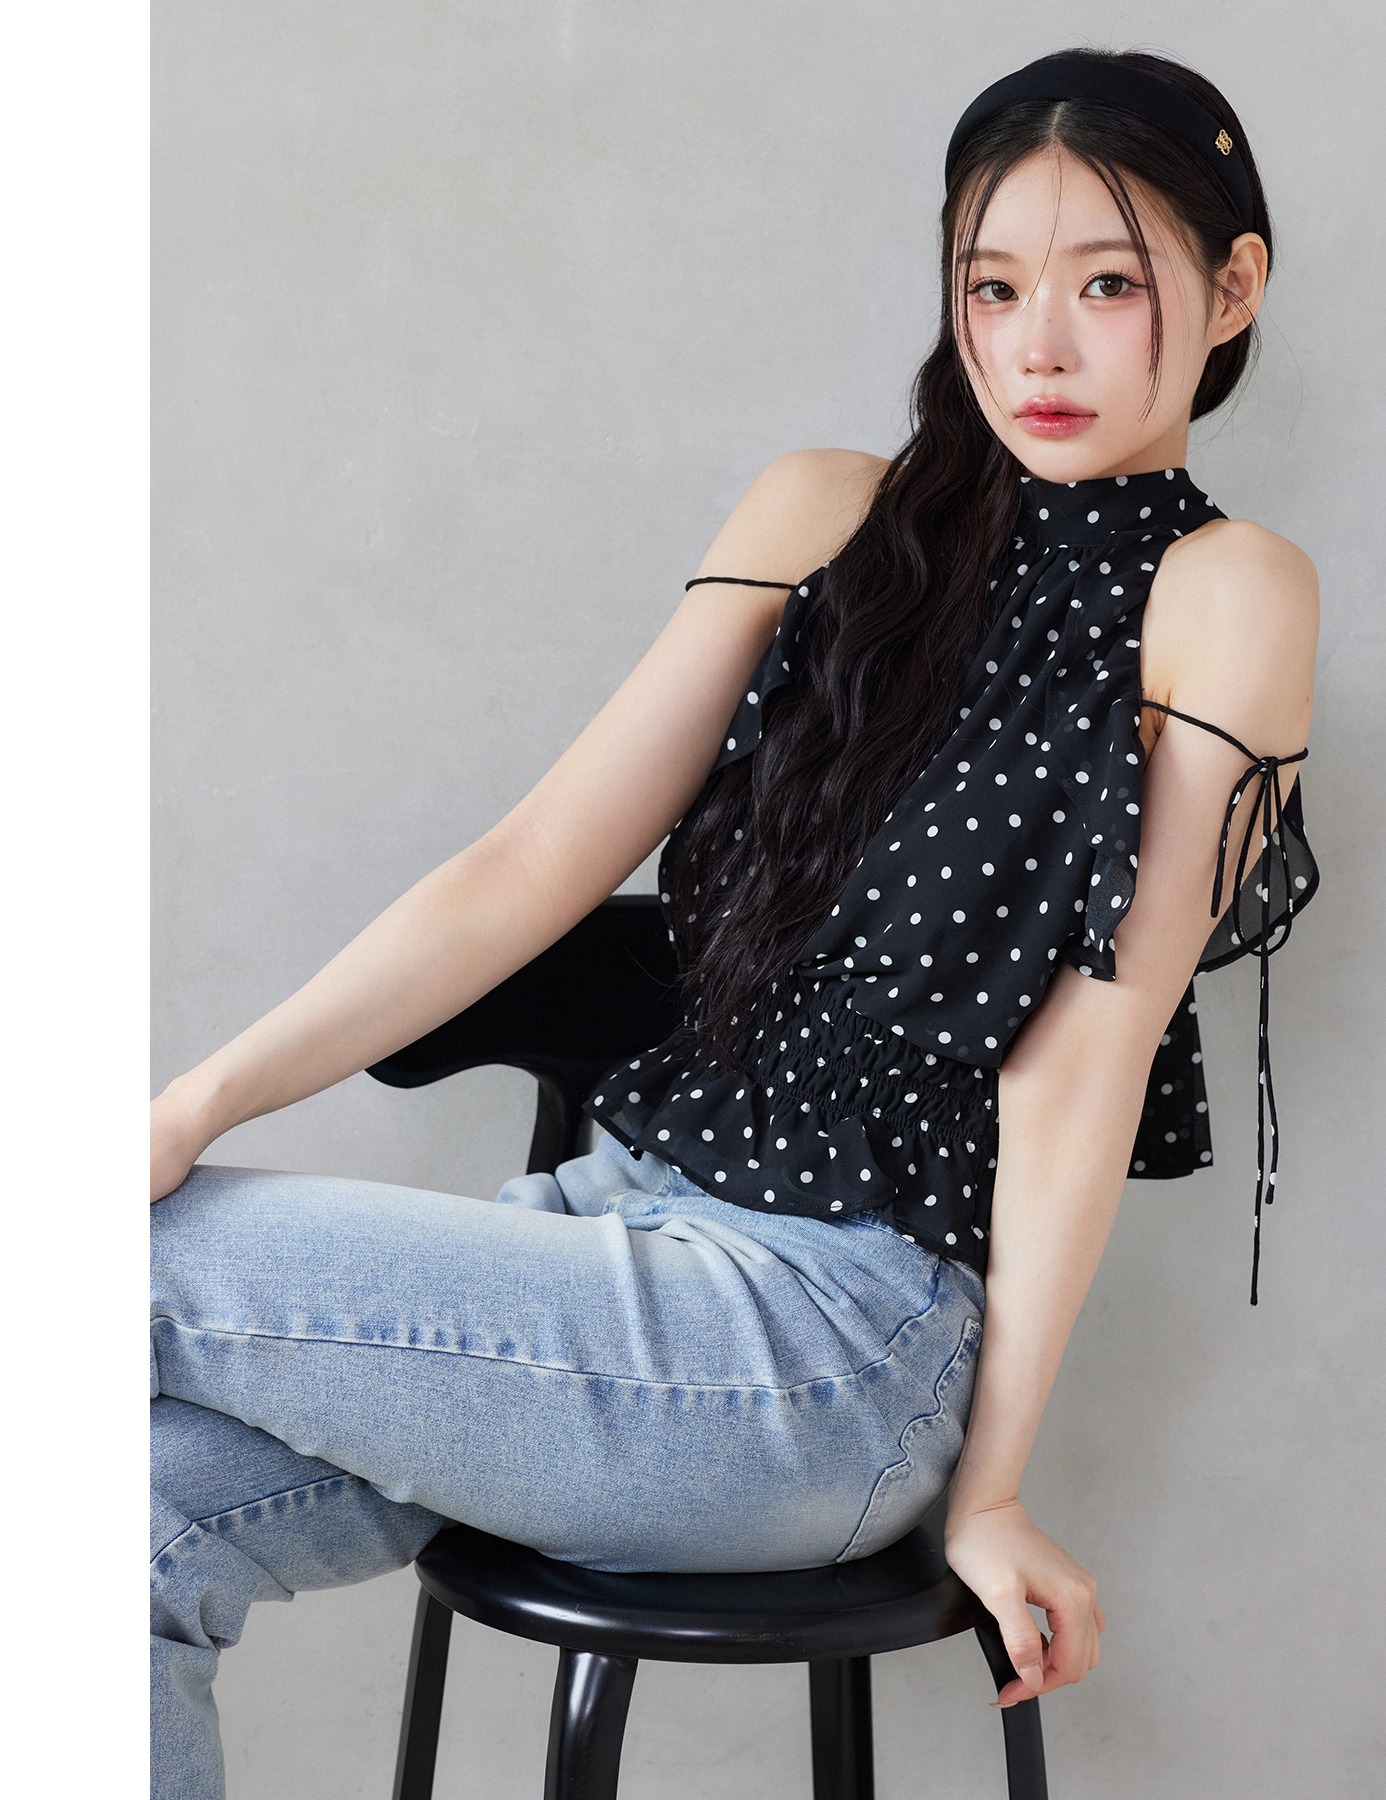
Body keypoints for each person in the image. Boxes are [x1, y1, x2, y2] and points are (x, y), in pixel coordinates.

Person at [150, 46, 1320, 1798]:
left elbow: (1082, 1066)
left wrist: (992, 1488)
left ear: (1230, 290)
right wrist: (192, 1106)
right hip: (606, 1247)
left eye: (1107, 286)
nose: (1039, 348)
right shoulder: (823, 513)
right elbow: (531, 862)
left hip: (825, 1355)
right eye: (994, 288)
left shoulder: (1224, 595)